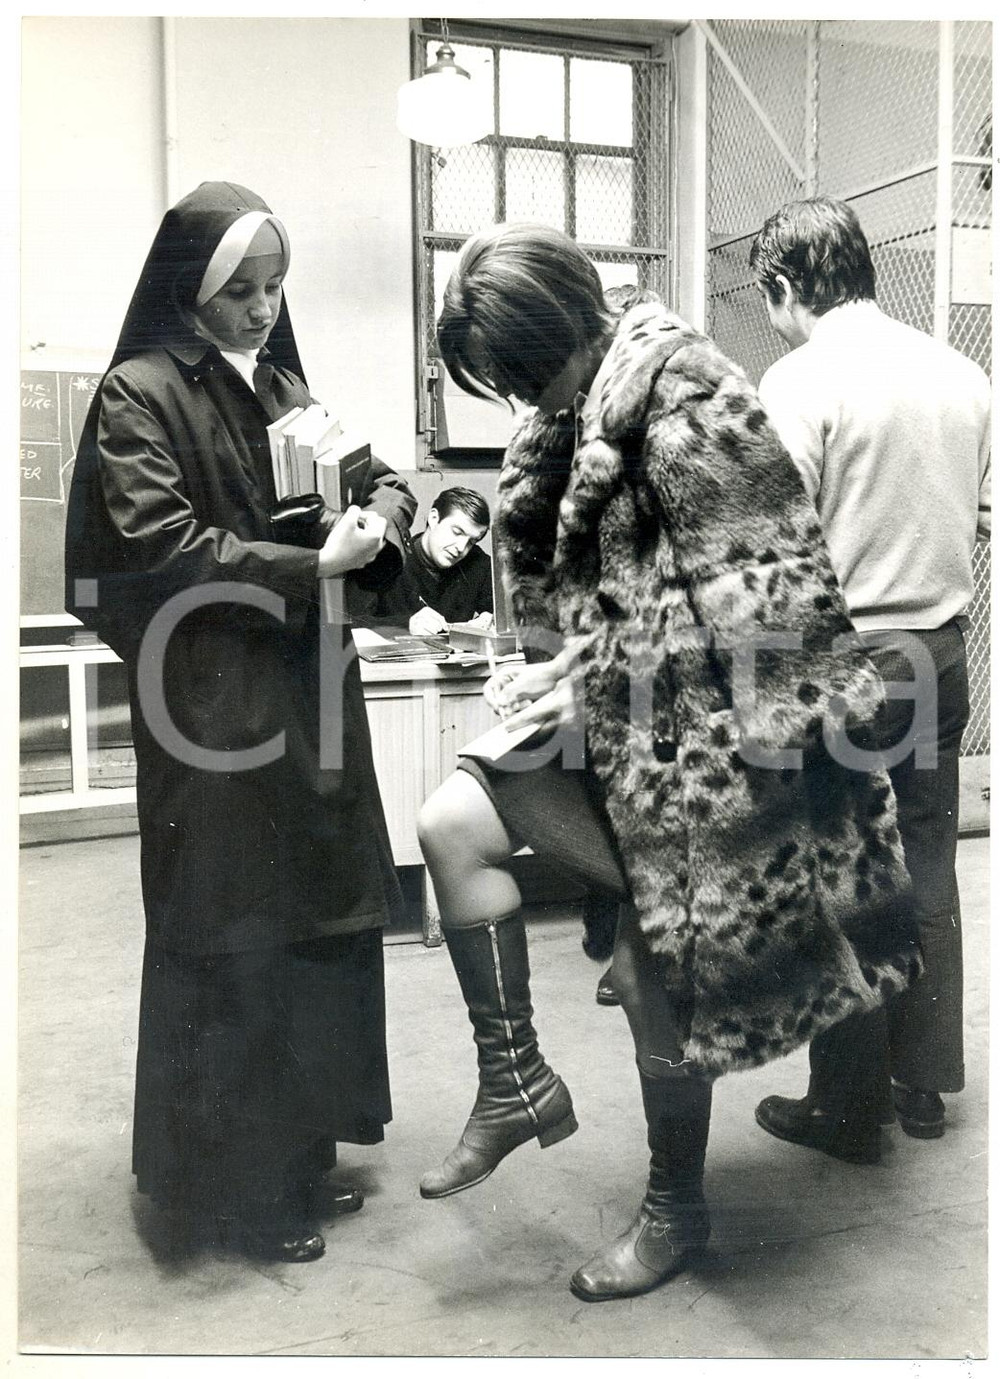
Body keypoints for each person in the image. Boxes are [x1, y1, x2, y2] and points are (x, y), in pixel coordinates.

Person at [415, 222, 921, 1302]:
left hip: (705, 749)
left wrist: (585, 673)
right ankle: (515, 1083)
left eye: (521, 374)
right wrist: (560, 671)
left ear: (566, 331)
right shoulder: (575, 413)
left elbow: (767, 607)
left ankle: (673, 1208)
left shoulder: (688, 397)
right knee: (449, 825)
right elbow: (599, 601)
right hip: (617, 715)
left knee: (655, 979)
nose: (522, 401)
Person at [64, 181, 417, 1262]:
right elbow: (160, 546)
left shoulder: (285, 387)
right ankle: (232, 1188)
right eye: (240, 291)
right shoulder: (139, 394)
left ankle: (301, 1150)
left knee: (317, 915)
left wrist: (399, 513)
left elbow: (383, 479)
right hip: (212, 705)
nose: (263, 310)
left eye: (274, 289)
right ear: (190, 289)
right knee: (237, 930)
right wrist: (315, 562)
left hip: (307, 696)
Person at [748, 196, 991, 1154]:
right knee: (928, 863)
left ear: (782, 285)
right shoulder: (962, 371)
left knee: (842, 875)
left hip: (844, 660)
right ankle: (922, 1085)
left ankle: (849, 1106)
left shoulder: (799, 379)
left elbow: (770, 546)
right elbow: (981, 511)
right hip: (942, 648)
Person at [373, 485, 493, 636]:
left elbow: (505, 612)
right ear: (434, 518)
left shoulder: (477, 562)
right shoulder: (387, 560)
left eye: (472, 541)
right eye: (457, 532)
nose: (462, 548)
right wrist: (405, 625)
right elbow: (354, 624)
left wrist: (490, 619)